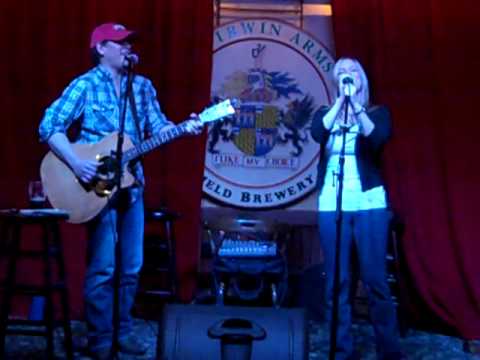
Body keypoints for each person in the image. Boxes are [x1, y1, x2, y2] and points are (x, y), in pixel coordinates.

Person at [38, 23, 203, 359]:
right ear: (101, 48)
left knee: (131, 266)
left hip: (131, 184)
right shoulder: (85, 84)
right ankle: (100, 339)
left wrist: (184, 128)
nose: (128, 47)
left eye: (130, 43)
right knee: (103, 267)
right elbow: (49, 126)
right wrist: (76, 162)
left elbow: (157, 126)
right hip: (93, 183)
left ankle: (123, 332)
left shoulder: (141, 86)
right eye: (121, 43)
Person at [310, 57, 404, 360]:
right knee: (337, 281)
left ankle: (389, 351)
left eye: (352, 72)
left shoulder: (378, 112)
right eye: (341, 73)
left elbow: (375, 138)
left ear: (361, 79)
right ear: (336, 81)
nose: (347, 76)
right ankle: (341, 350)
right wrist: (341, 103)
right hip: (331, 202)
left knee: (375, 279)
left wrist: (357, 107)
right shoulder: (325, 113)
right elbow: (318, 134)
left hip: (369, 203)